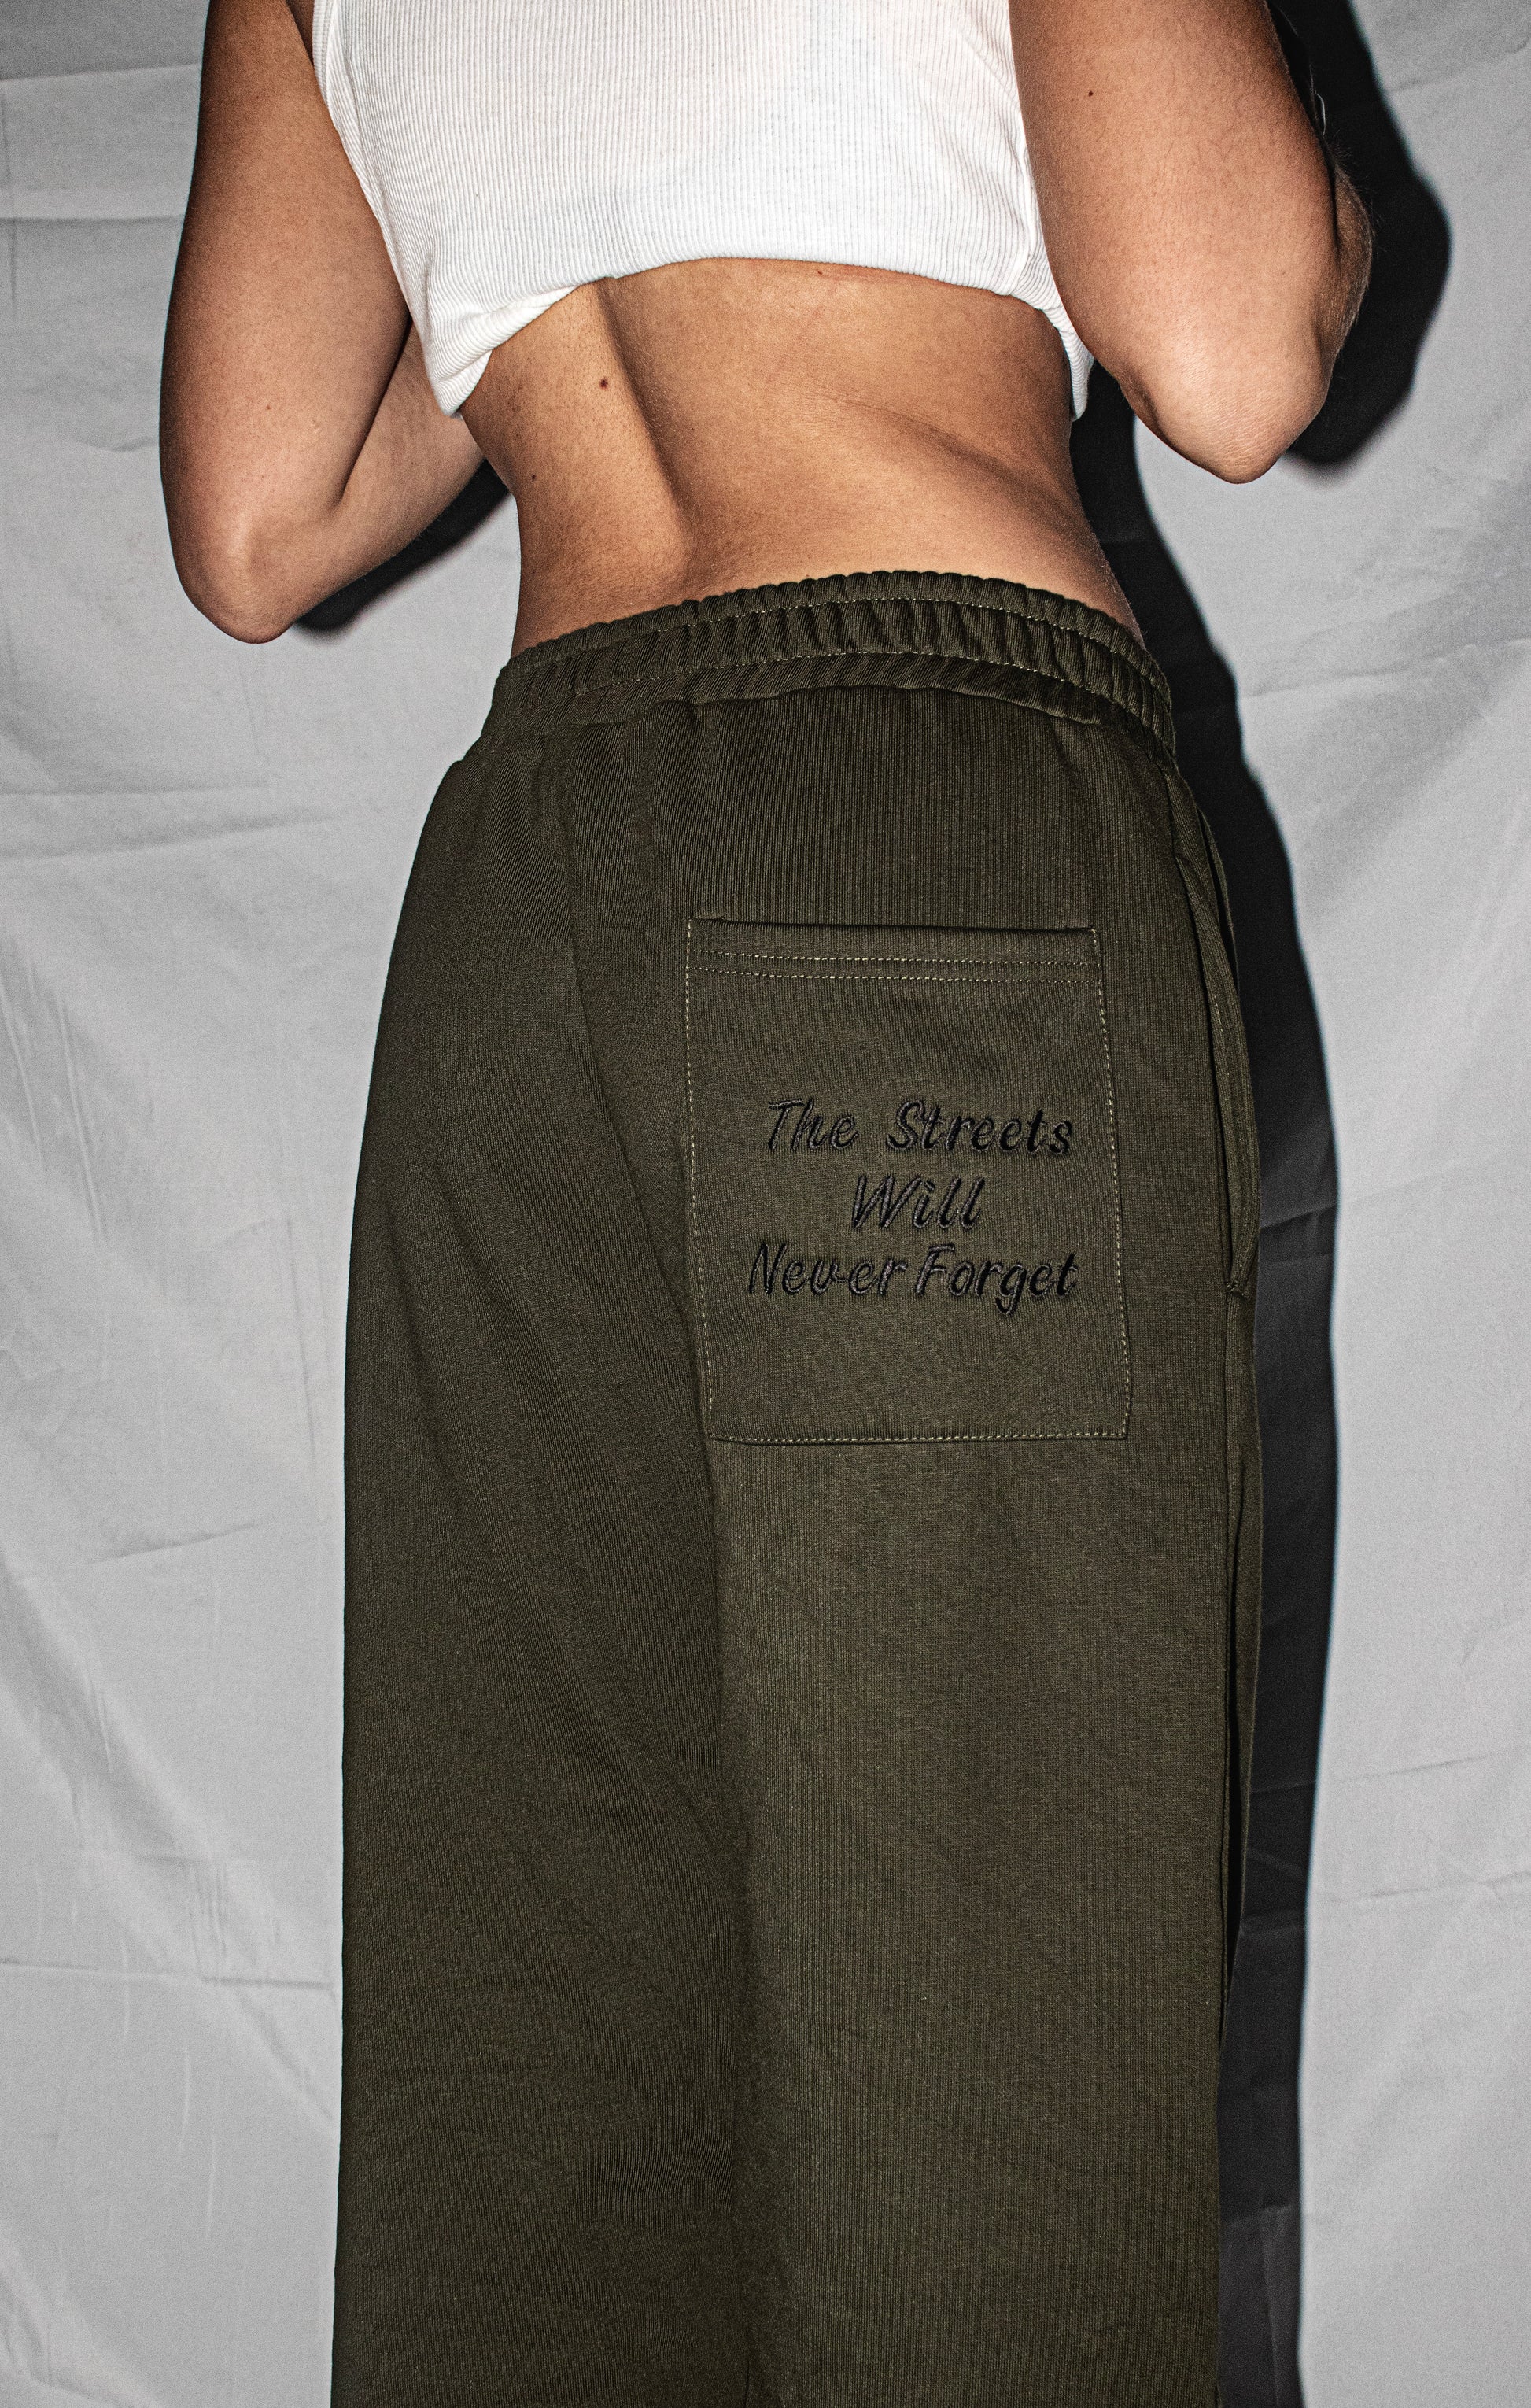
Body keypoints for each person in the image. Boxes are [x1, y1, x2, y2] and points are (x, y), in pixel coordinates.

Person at [160, 4, 1370, 2401]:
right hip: (912, 851)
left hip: (532, 900)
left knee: (552, 2028)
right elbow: (1231, 348)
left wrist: (580, 246)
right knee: (986, 2029)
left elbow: (261, 517)